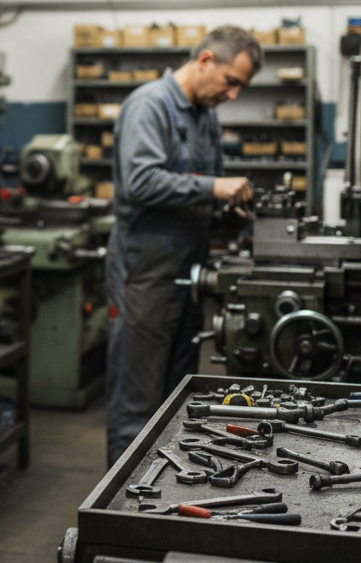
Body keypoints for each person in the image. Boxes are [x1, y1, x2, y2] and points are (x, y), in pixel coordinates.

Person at [104, 25, 263, 466]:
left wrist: (226, 212)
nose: (233, 96)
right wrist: (216, 187)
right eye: (232, 82)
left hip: (189, 272)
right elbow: (139, 183)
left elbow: (197, 193)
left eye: (241, 89)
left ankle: (161, 498)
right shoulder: (149, 106)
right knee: (136, 405)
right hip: (145, 275)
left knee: (174, 401)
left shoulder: (206, 117)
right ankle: (122, 518)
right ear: (206, 60)